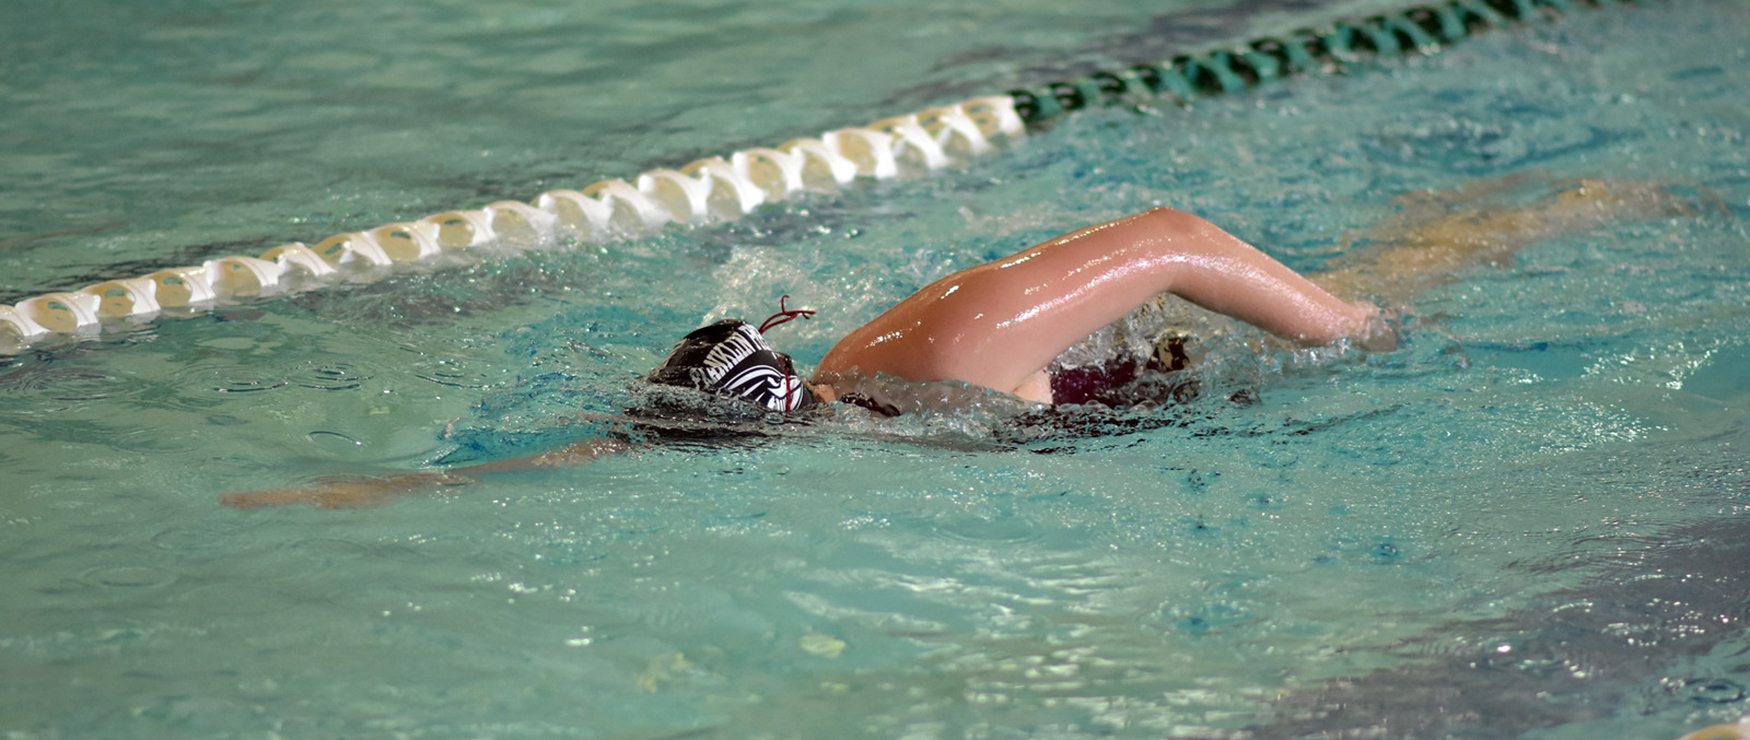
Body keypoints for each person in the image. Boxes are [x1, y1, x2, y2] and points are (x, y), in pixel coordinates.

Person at [221, 175, 1689, 509]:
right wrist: (409, 489)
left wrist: (1350, 332)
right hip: (1123, 396)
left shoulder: (942, 354)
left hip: (1192, 347)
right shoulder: (853, 399)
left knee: (1396, 287)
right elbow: (636, 442)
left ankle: (1563, 211)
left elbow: (1175, 234)